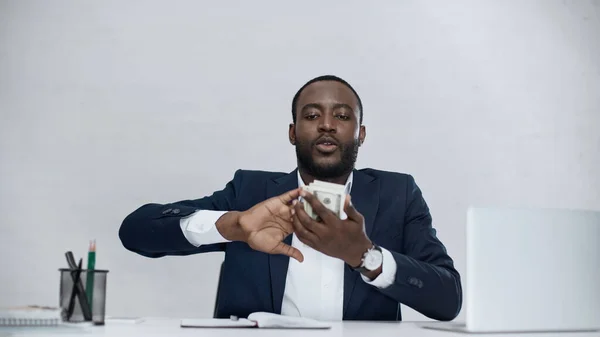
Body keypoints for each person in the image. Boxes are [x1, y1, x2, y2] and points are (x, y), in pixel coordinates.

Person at [119, 75, 462, 322]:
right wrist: (233, 225)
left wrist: (364, 256)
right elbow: (135, 232)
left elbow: (448, 299)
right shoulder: (251, 192)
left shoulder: (396, 194)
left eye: (342, 116)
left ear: (361, 134)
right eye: (312, 116)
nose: (327, 125)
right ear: (293, 132)